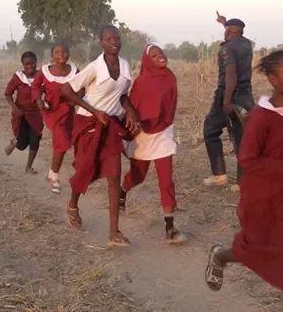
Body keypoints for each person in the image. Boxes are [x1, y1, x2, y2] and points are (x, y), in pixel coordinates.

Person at [204, 50, 283, 312]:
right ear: (273, 80)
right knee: (254, 248)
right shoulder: (262, 117)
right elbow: (248, 159)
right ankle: (221, 256)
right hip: (262, 198)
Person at [61, 25, 139, 247]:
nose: (114, 41)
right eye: (108, 39)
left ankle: (114, 232)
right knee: (86, 170)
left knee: (114, 175)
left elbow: (122, 95)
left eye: (117, 38)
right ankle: (73, 205)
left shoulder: (125, 66)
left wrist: (130, 111)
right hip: (88, 123)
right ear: (101, 43)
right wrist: (95, 111)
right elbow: (66, 91)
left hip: (110, 125)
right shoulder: (95, 67)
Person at [119, 44, 186, 244]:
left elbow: (170, 105)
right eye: (154, 56)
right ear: (148, 60)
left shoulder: (170, 77)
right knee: (138, 176)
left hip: (163, 133)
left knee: (166, 180)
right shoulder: (140, 83)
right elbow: (132, 108)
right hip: (143, 135)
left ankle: (170, 227)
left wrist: (164, 122)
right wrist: (131, 130)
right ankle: (122, 191)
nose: (160, 57)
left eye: (161, 53)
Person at [202, 12, 254, 191]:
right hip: (246, 96)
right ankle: (244, 181)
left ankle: (219, 175)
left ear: (231, 32)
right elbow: (235, 32)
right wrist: (225, 23)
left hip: (229, 94)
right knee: (242, 137)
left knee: (210, 129)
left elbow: (231, 75)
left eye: (227, 31)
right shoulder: (246, 44)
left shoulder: (227, 49)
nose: (224, 34)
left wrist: (226, 102)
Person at [32, 42, 78, 194]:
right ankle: (55, 178)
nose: (61, 55)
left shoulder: (75, 71)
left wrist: (76, 98)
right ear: (52, 55)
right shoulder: (45, 71)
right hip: (51, 111)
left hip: (68, 112)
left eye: (64, 51)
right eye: (57, 52)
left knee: (66, 141)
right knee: (62, 142)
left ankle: (52, 172)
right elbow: (36, 86)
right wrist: (38, 100)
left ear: (69, 54)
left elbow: (83, 86)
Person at [4, 51, 44, 174]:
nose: (30, 66)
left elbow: (49, 91)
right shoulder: (18, 77)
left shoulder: (42, 76)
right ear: (23, 64)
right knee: (21, 144)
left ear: (36, 62)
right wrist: (15, 108)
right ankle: (14, 142)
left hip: (36, 114)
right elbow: (8, 94)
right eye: (27, 64)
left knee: (35, 140)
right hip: (21, 113)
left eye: (32, 63)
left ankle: (28, 167)